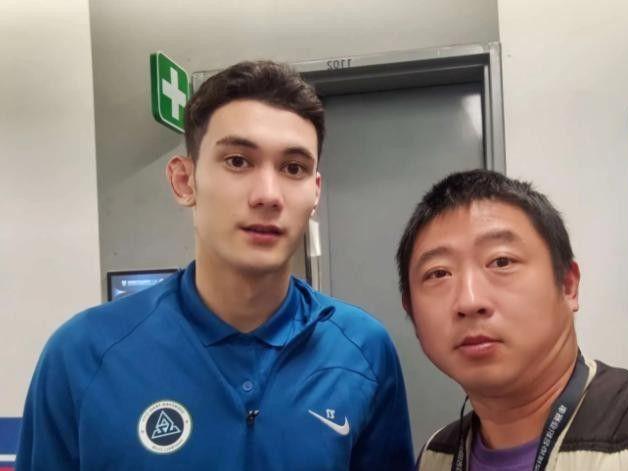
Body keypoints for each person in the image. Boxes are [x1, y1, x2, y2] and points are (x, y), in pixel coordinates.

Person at [17, 61, 414, 470]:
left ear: (314, 192)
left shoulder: (363, 351)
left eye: (292, 168)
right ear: (184, 181)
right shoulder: (83, 355)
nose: (268, 195)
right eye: (238, 161)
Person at [395, 170, 628, 471]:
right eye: (438, 273)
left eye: (501, 261)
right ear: (410, 309)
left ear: (568, 285)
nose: (470, 301)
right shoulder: (437, 457)